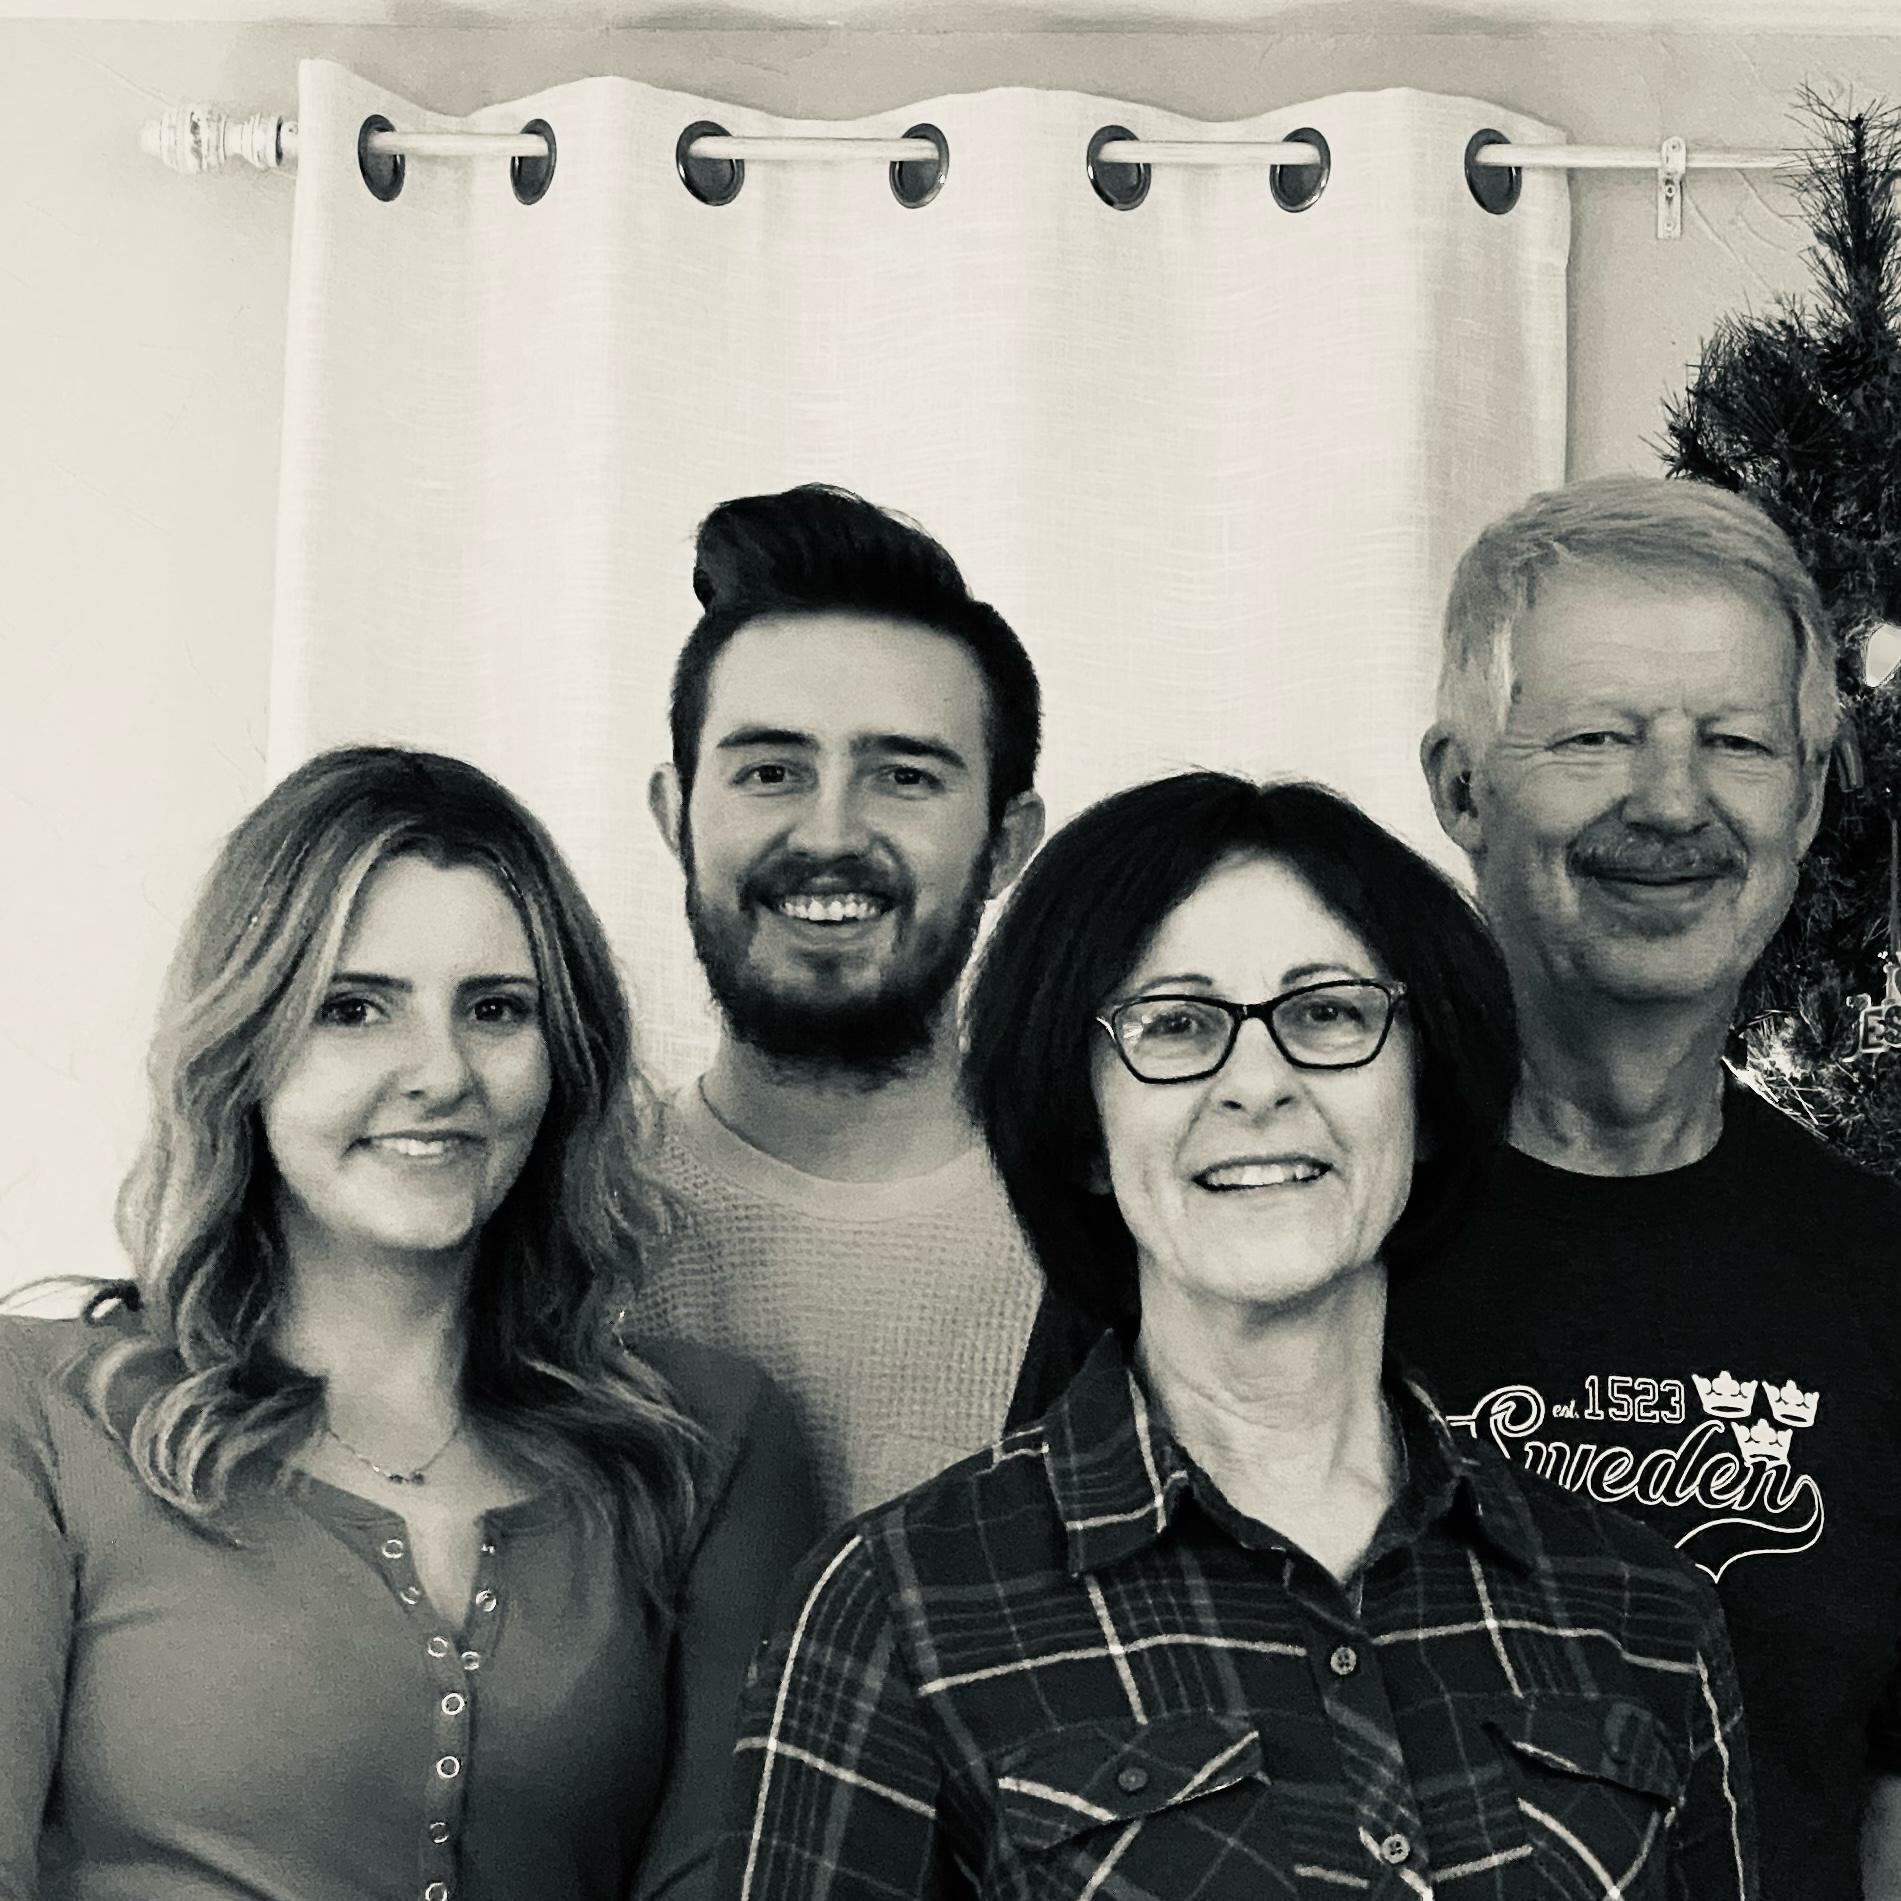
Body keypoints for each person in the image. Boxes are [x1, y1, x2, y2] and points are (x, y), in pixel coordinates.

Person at [724, 773, 1756, 1900]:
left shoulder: (1640, 1609)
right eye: (1174, 1024)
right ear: (1082, 1129)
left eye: (1328, 1012)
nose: (1256, 1084)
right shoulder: (895, 1607)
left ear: (1423, 1098)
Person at [0, 744, 820, 1901]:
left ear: (564, 1054)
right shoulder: (42, 1412)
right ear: (245, 1043)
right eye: (353, 1008)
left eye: (495, 1009)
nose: (440, 1072)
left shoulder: (708, 1440)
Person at [1392, 474, 1901, 1900]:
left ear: (1807, 797)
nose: (1672, 802)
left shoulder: (1880, 1275)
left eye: (1734, 742)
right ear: (1461, 787)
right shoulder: (1268, 1227)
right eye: (1596, 736)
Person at [626, 485, 1047, 1526]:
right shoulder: (563, 1228)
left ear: (1007, 843)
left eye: (903, 776)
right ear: (675, 817)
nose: (829, 834)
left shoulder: (1125, 1232)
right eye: (771, 770)